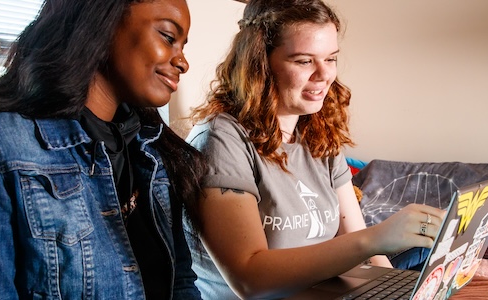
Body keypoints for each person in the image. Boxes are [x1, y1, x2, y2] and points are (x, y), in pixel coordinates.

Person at [0, 0, 206, 298]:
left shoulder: (151, 151)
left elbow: (180, 282)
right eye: (167, 37)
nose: (182, 62)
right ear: (103, 20)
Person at [184, 0, 447, 299]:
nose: (324, 75)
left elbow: (365, 250)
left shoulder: (318, 132)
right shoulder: (221, 139)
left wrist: (393, 288)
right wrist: (378, 238)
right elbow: (249, 279)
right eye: (304, 61)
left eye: (331, 58)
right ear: (259, 64)